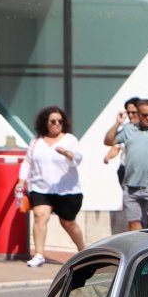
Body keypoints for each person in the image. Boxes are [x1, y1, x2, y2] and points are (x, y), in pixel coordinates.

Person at [19, 106, 85, 268]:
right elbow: (28, 162)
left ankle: (83, 251)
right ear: (45, 123)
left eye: (60, 121)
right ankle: (39, 254)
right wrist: (22, 180)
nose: (57, 124)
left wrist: (67, 153)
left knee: (68, 223)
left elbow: (78, 158)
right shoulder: (36, 142)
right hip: (41, 188)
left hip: (67, 190)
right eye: (53, 121)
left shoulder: (69, 139)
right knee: (40, 216)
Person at [103, 97, 148, 230]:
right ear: (138, 114)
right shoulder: (128, 130)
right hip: (131, 187)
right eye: (145, 115)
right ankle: (142, 249)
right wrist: (117, 124)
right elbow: (108, 142)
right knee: (134, 223)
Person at [101, 96, 142, 185]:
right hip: (126, 170)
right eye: (128, 112)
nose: (130, 115)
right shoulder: (125, 129)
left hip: (143, 171)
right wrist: (108, 156)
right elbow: (115, 146)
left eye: (133, 112)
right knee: (129, 197)